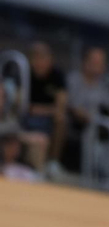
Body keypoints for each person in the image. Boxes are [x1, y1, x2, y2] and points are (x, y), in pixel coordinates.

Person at [64, 46, 109, 176]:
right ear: (85, 62)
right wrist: (89, 117)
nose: (97, 66)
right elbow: (72, 106)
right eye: (94, 62)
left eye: (100, 63)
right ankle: (88, 172)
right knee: (90, 129)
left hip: (98, 125)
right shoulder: (73, 80)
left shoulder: (105, 87)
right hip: (76, 123)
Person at [22, 41, 67, 171]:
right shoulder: (25, 73)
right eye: (36, 58)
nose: (40, 62)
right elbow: (22, 106)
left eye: (43, 58)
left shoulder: (57, 76)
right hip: (26, 117)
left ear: (50, 60)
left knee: (61, 119)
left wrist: (39, 110)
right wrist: (37, 109)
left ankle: (53, 161)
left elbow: (60, 106)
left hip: (48, 119)